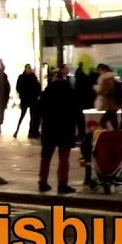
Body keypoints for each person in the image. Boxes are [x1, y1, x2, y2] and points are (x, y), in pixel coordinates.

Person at [37, 63, 80, 194]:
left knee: (46, 157)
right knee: (64, 158)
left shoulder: (47, 92)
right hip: (65, 128)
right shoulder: (70, 92)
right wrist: (81, 130)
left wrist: (35, 128)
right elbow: (77, 112)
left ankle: (43, 182)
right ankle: (62, 183)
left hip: (49, 128)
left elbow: (38, 111)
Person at [14, 64, 41, 139]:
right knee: (23, 115)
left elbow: (37, 86)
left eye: (30, 68)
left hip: (31, 99)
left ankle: (31, 132)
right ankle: (17, 130)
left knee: (32, 117)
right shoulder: (23, 77)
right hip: (26, 99)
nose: (29, 70)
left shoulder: (32, 77)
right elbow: (18, 87)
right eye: (28, 68)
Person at [94, 63, 122, 131]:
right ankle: (116, 133)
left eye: (100, 71)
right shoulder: (114, 77)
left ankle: (107, 134)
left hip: (109, 103)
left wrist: (96, 88)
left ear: (103, 70)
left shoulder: (105, 79)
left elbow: (104, 91)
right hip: (114, 102)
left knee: (103, 121)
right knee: (113, 120)